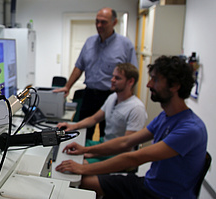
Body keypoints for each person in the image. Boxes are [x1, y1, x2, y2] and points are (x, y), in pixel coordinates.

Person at [55, 56, 208, 199]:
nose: (148, 85)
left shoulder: (190, 129)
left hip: (162, 195)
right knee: (80, 178)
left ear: (175, 86)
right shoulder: (165, 117)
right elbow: (125, 141)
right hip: (149, 183)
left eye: (154, 80)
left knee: (81, 180)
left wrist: (83, 168)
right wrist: (86, 150)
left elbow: (135, 157)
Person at [54, 7, 137, 140]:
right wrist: (68, 86)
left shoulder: (125, 45)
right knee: (82, 133)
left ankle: (102, 158)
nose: (99, 25)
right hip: (90, 95)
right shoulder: (89, 42)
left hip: (112, 96)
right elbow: (79, 67)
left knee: (108, 135)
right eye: (97, 21)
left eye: (103, 22)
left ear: (114, 22)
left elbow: (133, 74)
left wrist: (127, 99)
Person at [57, 63, 147, 163]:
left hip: (117, 155)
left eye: (117, 78)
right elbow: (94, 119)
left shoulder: (136, 108)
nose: (112, 80)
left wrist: (93, 153)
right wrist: (73, 126)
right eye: (113, 76)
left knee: (76, 163)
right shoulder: (112, 98)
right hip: (104, 144)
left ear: (130, 81)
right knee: (66, 144)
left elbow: (125, 146)